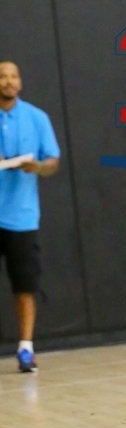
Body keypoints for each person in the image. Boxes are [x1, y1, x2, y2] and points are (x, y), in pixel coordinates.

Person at [0, 61, 60, 373]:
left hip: (21, 219)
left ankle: (26, 349)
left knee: (24, 285)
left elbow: (52, 161)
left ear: (20, 83)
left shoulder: (37, 118)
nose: (8, 81)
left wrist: (37, 166)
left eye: (13, 76)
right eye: (2, 76)